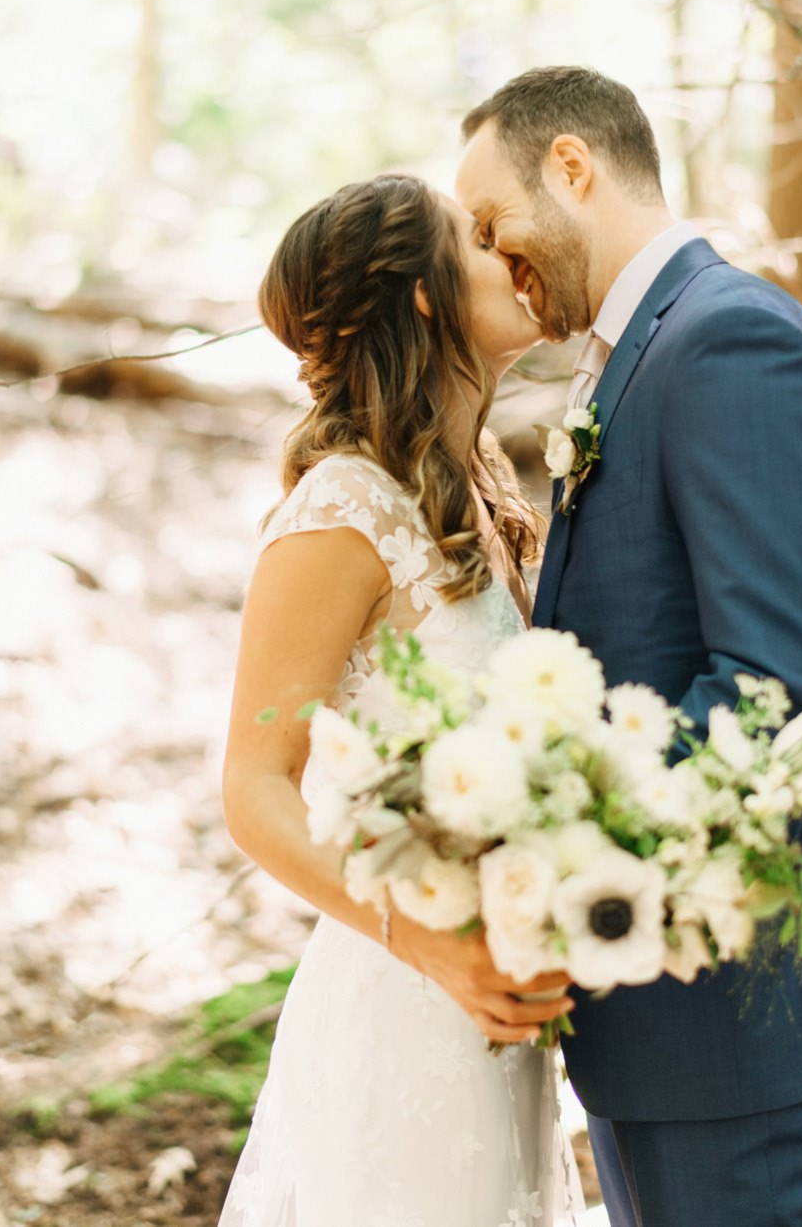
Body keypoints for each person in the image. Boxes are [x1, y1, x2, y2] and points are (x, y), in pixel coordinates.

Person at [456, 66, 802, 1226]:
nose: (492, 256)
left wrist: (549, 819)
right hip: (660, 1027)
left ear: (572, 167)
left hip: (732, 1021)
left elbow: (775, 696)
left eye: (495, 222)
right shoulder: (644, 350)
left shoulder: (730, 343)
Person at [219, 174, 583, 1223]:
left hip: (498, 1016)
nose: (512, 248)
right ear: (423, 296)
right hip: (402, 997)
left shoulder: (476, 492)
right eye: (477, 238)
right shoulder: (341, 506)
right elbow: (254, 788)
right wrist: (424, 940)